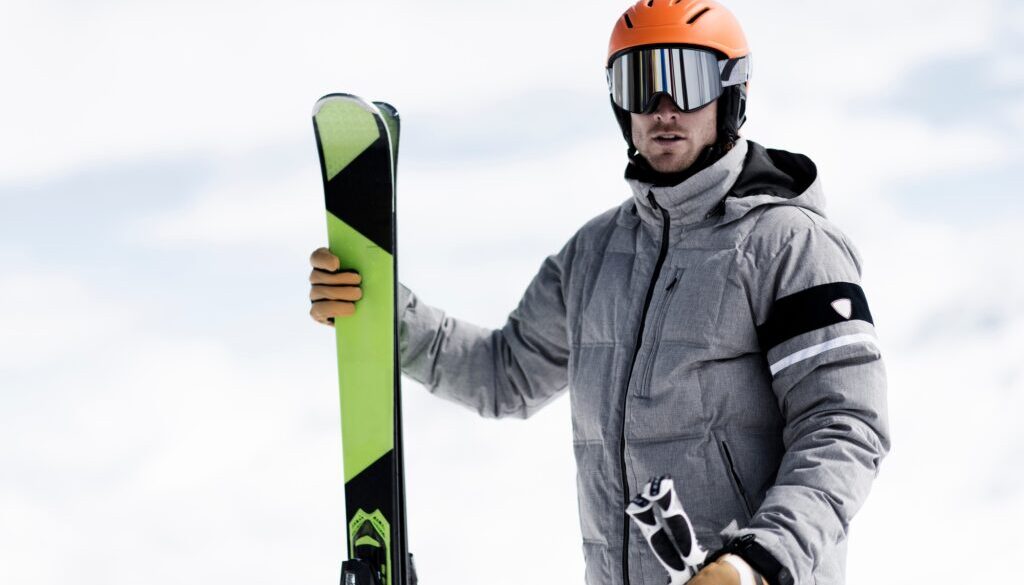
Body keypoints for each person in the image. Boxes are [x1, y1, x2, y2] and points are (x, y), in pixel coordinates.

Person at [309, 1, 890, 584]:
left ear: (729, 92)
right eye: (641, 83)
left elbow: (843, 424)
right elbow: (502, 374)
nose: (663, 108)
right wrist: (383, 313)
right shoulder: (593, 256)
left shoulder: (788, 244)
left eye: (685, 81)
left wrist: (758, 560)